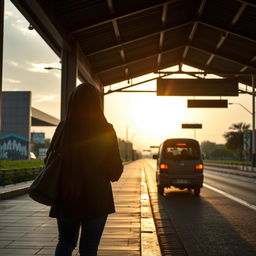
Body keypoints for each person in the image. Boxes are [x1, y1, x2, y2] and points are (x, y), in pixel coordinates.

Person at [49, 83, 123, 256]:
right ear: (97, 103)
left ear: (72, 102)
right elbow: (115, 171)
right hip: (96, 198)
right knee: (89, 249)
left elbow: (48, 161)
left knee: (65, 242)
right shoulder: (106, 129)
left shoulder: (63, 127)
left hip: (66, 195)